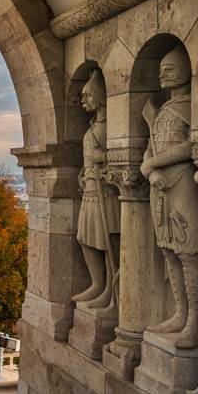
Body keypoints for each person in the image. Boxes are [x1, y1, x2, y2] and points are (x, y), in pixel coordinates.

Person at [141, 45, 198, 350]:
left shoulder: (195, 106)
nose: (162, 74)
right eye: (161, 69)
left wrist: (155, 164)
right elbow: (150, 147)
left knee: (189, 253)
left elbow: (194, 144)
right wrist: (149, 170)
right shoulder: (160, 113)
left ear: (185, 70)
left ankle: (195, 321)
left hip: (185, 188)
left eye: (169, 68)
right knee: (169, 251)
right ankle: (180, 313)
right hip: (160, 189)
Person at [71, 69, 120, 309]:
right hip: (90, 190)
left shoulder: (113, 125)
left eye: (88, 96)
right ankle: (97, 283)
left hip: (106, 192)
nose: (83, 101)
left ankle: (111, 289)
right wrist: (82, 174)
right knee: (85, 238)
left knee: (107, 241)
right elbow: (88, 159)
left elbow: (126, 155)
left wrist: (106, 157)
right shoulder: (92, 127)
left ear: (100, 97)